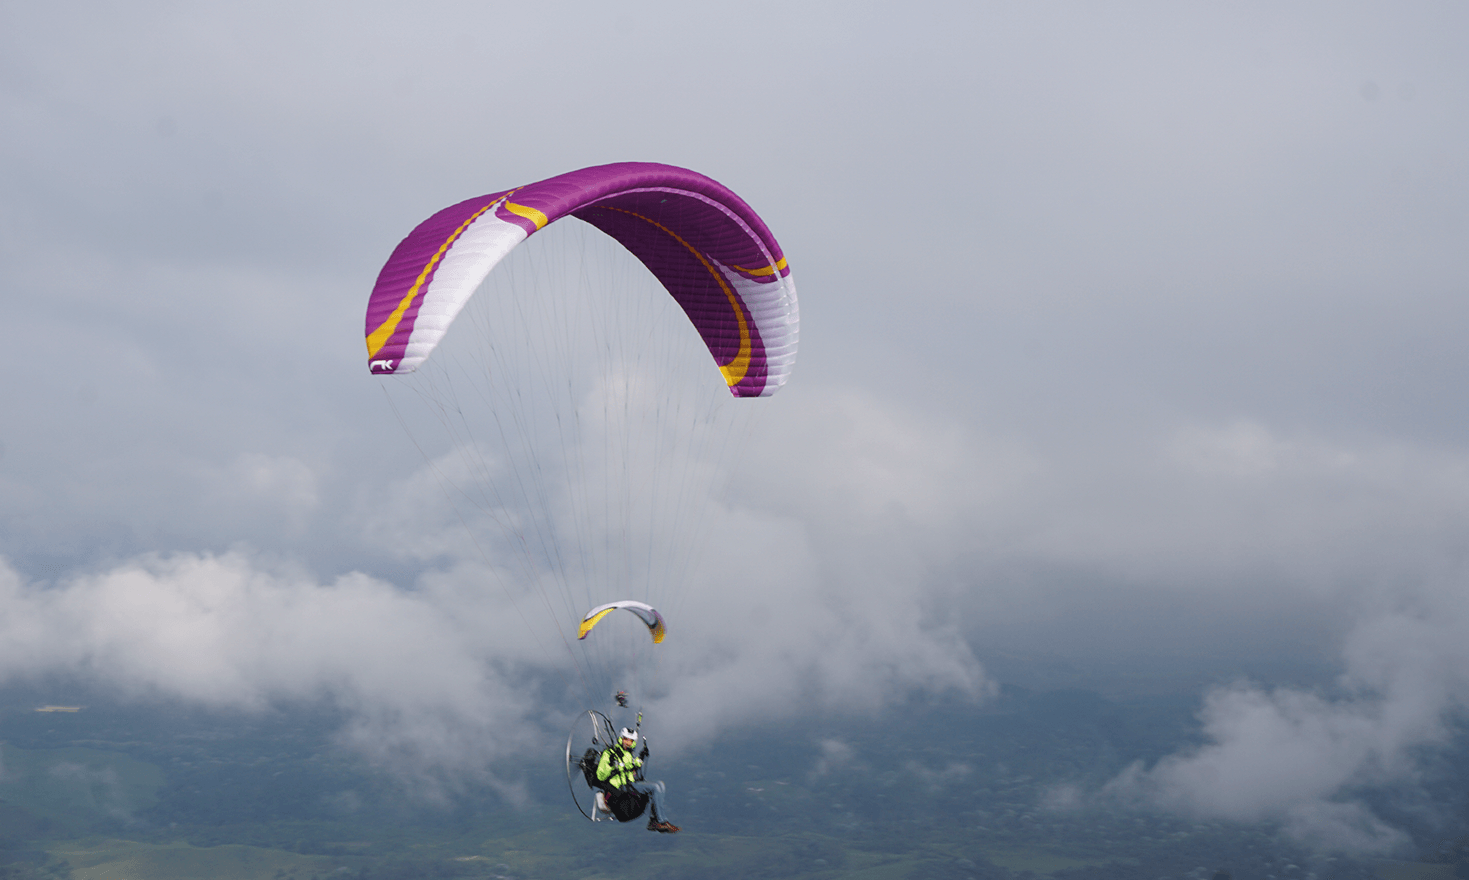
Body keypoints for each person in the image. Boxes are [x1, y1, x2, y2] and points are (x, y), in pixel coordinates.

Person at [596, 727, 679, 832]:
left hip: (630, 784)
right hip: (621, 788)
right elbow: (600, 775)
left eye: (631, 741)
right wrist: (611, 765)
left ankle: (655, 820)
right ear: (621, 738)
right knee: (655, 788)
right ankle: (660, 821)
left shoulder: (628, 754)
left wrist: (641, 757)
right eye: (626, 739)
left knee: (660, 785)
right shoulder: (609, 753)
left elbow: (632, 766)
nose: (628, 743)